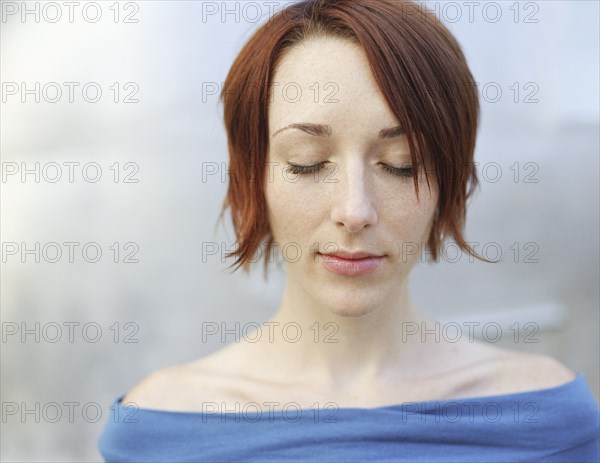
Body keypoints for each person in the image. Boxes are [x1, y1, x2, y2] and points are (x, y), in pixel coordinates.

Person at [98, 1, 600, 461]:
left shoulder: (544, 419)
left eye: (402, 165)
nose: (355, 210)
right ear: (254, 175)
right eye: (308, 164)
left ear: (449, 179)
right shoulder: (163, 427)